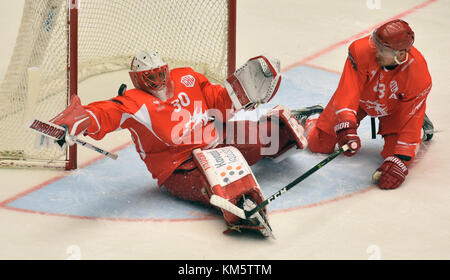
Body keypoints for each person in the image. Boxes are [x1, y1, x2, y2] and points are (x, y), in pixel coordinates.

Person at [47, 51, 308, 237]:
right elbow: (105, 113)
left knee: (262, 138)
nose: (158, 82)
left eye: (161, 74)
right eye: (150, 78)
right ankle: (239, 206)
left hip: (216, 138)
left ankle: (283, 132)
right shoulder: (135, 103)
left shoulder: (187, 78)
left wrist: (239, 92)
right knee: (214, 181)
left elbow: (218, 100)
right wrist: (78, 120)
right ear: (138, 80)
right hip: (181, 167)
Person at [300, 19, 434, 190]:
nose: (376, 51)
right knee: (319, 144)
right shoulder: (360, 50)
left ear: (400, 54)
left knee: (392, 156)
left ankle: (420, 123)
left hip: (396, 109)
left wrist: (402, 160)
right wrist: (346, 125)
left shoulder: (418, 74)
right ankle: (314, 117)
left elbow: (411, 118)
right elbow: (348, 90)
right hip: (360, 101)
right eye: (375, 43)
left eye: (383, 49)